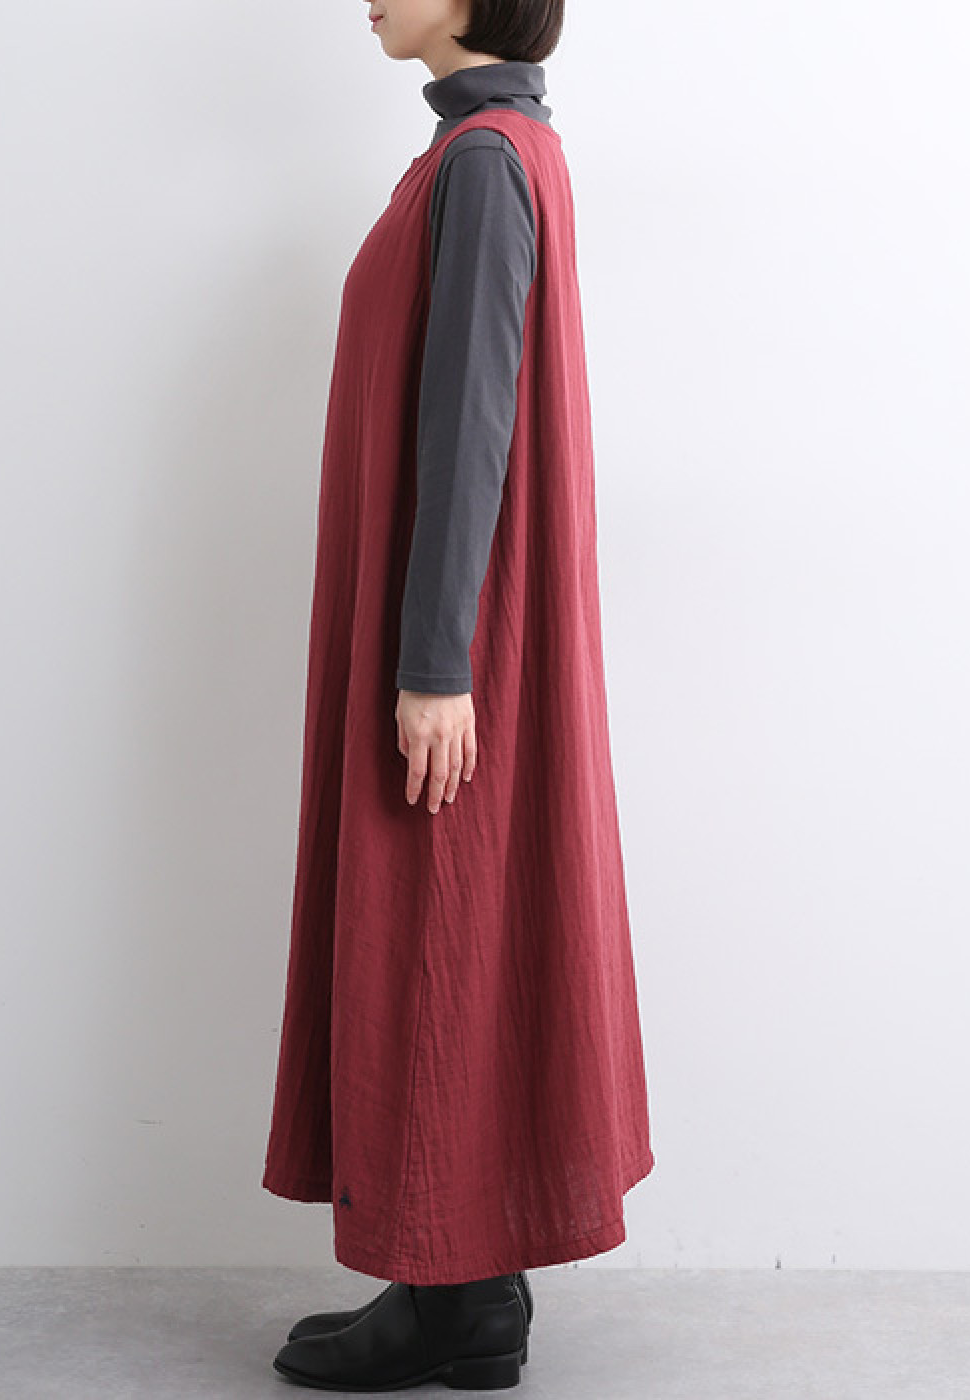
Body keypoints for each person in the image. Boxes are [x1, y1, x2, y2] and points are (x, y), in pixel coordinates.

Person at [264, 0, 655, 1389]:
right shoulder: (494, 149)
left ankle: (456, 1293)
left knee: (434, 924)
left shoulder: (485, 161)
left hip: (453, 634)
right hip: (459, 619)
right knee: (455, 926)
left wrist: (436, 662)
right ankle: (467, 1299)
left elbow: (473, 416)